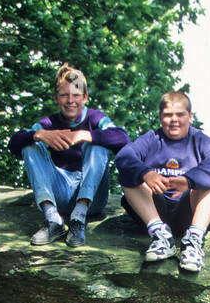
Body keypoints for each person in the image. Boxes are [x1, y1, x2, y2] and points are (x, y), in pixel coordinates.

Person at [7, 64, 129, 248]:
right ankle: (53, 220)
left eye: (76, 95)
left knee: (98, 145)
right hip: (60, 193)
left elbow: (122, 137)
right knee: (30, 146)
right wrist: (38, 135)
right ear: (56, 98)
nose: (70, 100)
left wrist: (85, 135)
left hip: (92, 198)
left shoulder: (95, 118)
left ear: (85, 97)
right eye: (64, 95)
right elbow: (14, 143)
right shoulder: (49, 122)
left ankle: (78, 219)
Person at [114, 91, 210, 274]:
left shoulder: (201, 140)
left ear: (190, 116)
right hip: (154, 209)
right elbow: (123, 156)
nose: (174, 120)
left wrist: (189, 180)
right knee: (129, 174)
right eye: (168, 115)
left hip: (188, 211)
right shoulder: (151, 139)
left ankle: (193, 241)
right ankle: (161, 237)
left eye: (180, 114)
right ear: (160, 117)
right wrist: (146, 173)